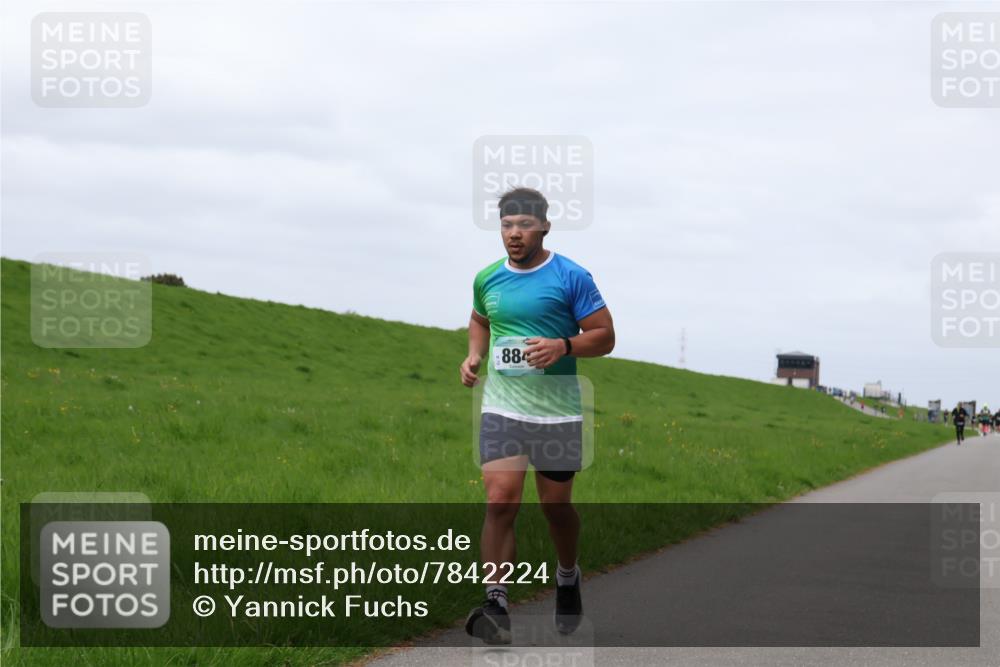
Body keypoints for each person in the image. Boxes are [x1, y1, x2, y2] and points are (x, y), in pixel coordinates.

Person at [460, 187, 615, 645]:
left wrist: (563, 345)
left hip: (557, 413)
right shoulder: (487, 278)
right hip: (502, 407)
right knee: (500, 500)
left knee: (555, 507)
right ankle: (496, 604)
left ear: (544, 226)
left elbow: (605, 336)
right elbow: (479, 320)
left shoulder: (571, 276)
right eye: (507, 225)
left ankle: (567, 577)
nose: (514, 234)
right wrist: (473, 355)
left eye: (524, 225)